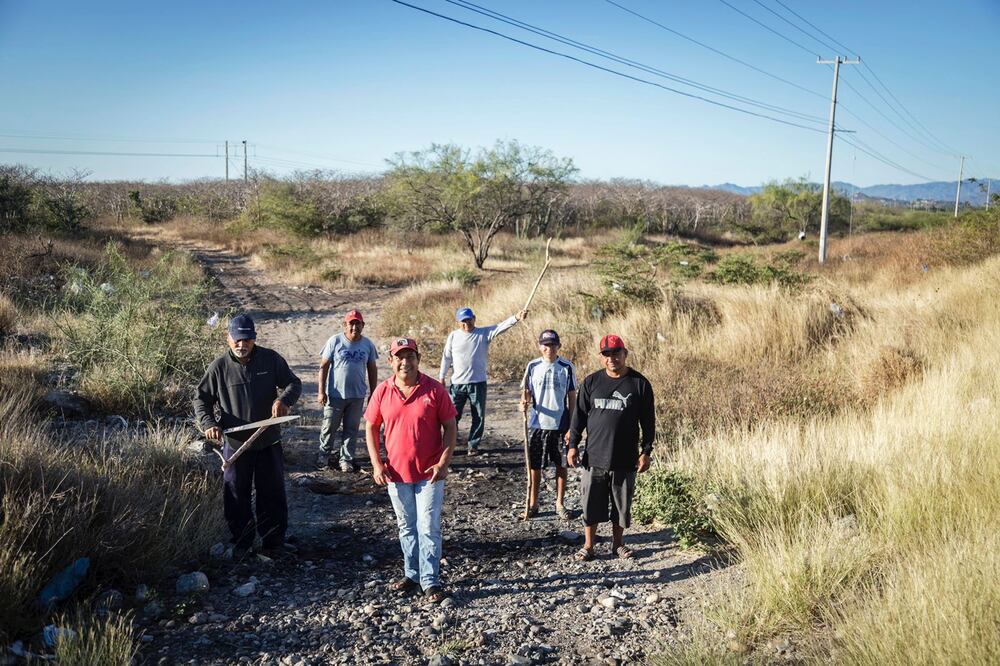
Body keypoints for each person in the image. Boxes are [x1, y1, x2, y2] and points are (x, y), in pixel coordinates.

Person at [194, 314, 302, 555]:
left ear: (254, 339)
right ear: (228, 338)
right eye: (237, 340)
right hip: (235, 444)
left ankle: (273, 543)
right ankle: (242, 542)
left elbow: (294, 383)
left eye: (248, 339)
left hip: (268, 440)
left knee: (272, 492)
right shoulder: (219, 367)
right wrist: (208, 422)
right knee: (235, 492)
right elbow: (201, 399)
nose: (242, 345)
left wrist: (284, 400)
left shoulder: (271, 359)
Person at [366, 337, 458, 603]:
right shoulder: (383, 391)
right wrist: (376, 463)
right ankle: (412, 574)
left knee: (428, 526)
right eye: (399, 357)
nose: (405, 362)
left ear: (418, 359)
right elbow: (371, 427)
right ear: (391, 361)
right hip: (396, 473)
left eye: (410, 356)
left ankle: (430, 581)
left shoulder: (434, 389)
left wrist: (443, 462)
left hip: (429, 473)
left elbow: (450, 427)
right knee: (406, 526)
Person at [567, 334, 655, 561]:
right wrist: (573, 445)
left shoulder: (639, 384)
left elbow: (648, 421)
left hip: (625, 457)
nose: (612, 358)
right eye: (607, 354)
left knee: (621, 504)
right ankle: (588, 546)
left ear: (625, 353)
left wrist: (646, 451)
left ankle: (618, 544)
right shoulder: (591, 382)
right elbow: (579, 417)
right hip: (594, 455)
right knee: (590, 503)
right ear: (601, 357)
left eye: (616, 353)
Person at [439, 306, 527, 455]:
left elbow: (500, 327)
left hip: (478, 383)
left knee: (478, 416)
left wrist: (516, 318)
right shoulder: (453, 336)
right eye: (463, 321)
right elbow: (446, 357)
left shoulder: (483, 333)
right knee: (453, 416)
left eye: (468, 320)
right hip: (458, 384)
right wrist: (441, 376)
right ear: (458, 322)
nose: (466, 324)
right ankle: (449, 444)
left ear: (474, 318)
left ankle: (473, 445)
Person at [519, 329, 577, 520]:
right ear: (539, 346)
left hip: (560, 424)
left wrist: (572, 426)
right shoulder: (533, 366)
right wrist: (524, 402)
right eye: (545, 344)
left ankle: (560, 503)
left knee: (561, 465)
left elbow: (571, 397)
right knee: (535, 466)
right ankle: (533, 502)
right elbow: (527, 391)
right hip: (537, 424)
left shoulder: (566, 367)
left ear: (558, 346)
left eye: (552, 344)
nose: (548, 348)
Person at [317, 309, 379, 473]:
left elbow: (372, 369)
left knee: (351, 430)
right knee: (329, 427)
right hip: (335, 395)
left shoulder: (367, 344)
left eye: (357, 323)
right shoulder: (335, 341)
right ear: (345, 325)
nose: (354, 327)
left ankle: (346, 459)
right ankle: (323, 456)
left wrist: (373, 393)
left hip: (357, 396)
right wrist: (321, 391)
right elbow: (323, 367)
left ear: (362, 325)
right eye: (351, 323)